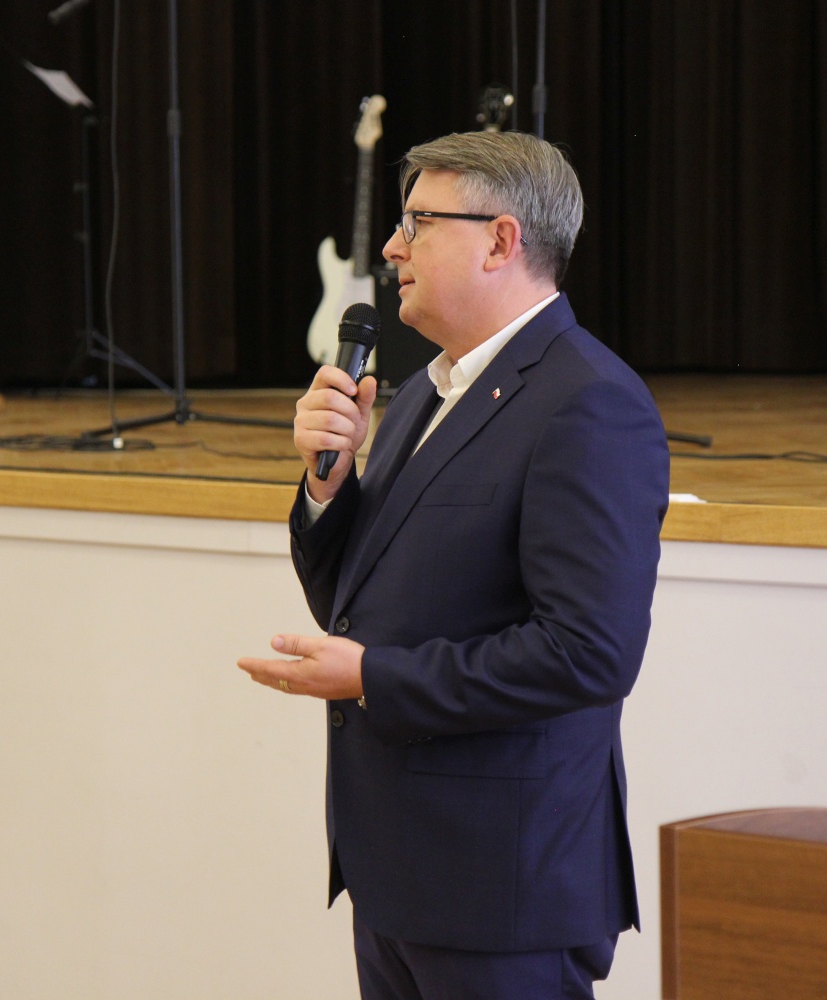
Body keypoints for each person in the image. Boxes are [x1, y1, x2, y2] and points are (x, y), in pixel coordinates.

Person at [238, 130, 669, 1000]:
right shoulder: (422, 395)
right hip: (398, 875)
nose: (393, 249)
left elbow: (589, 653)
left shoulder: (589, 402)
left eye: (418, 224)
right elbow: (355, 604)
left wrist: (373, 677)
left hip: (502, 891)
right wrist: (326, 486)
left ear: (501, 241)